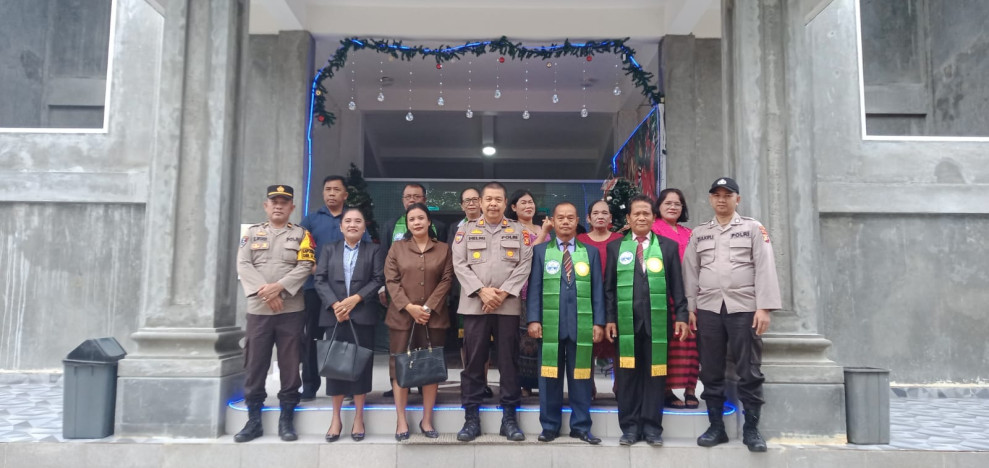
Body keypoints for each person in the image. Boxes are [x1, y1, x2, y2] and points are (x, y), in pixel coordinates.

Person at [682, 177, 781, 452]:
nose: (722, 199)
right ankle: (716, 427)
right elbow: (690, 272)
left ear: (738, 199)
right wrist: (691, 308)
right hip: (709, 309)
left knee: (748, 369)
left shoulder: (752, 228)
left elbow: (765, 267)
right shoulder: (700, 233)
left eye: (728, 195)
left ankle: (751, 429)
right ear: (711, 199)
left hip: (745, 308)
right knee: (711, 369)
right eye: (717, 195)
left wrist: (764, 307)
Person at [604, 194, 689, 447]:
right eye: (636, 214)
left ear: (654, 218)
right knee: (627, 377)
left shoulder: (668, 247)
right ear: (628, 219)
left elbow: (678, 287)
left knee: (655, 376)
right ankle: (629, 428)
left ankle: (652, 428)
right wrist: (609, 319)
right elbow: (609, 288)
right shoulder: (616, 247)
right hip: (625, 324)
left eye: (647, 214)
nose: (642, 217)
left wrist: (682, 316)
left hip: (658, 323)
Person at [451, 181, 533, 442]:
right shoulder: (465, 231)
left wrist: (502, 293)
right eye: (489, 199)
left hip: (507, 306)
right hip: (475, 305)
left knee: (509, 361)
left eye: (498, 199)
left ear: (505, 202)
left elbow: (525, 265)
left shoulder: (519, 231)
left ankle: (509, 417)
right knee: (474, 360)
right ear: (481, 202)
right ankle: (471, 417)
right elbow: (459, 264)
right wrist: (482, 291)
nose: (493, 204)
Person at [235, 185, 316, 443]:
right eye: (274, 201)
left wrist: (279, 289)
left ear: (292, 207)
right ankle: (254, 419)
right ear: (266, 206)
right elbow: (243, 264)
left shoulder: (302, 234)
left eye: (284, 202)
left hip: (291, 309)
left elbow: (306, 265)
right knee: (255, 362)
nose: (279, 205)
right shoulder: (251, 234)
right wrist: (265, 292)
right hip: (259, 310)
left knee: (291, 363)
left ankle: (286, 418)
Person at [526, 202, 606, 445]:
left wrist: (599, 322)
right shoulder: (540, 252)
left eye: (570, 217)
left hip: (581, 325)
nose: (565, 222)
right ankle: (549, 426)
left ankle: (581, 426)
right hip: (549, 325)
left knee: (581, 377)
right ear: (553, 220)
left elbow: (598, 290)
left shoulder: (589, 252)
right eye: (560, 217)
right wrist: (533, 319)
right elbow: (534, 289)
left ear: (578, 220)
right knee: (549, 378)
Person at [314, 207, 385, 443]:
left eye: (358, 221)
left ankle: (358, 417)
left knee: (360, 366)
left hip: (362, 314)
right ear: (341, 226)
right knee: (335, 365)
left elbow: (377, 279)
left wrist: (355, 300)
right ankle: (335, 418)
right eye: (348, 221)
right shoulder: (329, 249)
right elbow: (320, 279)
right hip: (335, 315)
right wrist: (336, 304)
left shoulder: (373, 250)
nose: (353, 224)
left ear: (364, 227)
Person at [384, 203, 454, 441]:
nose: (416, 222)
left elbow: (447, 280)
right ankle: (401, 419)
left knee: (430, 367)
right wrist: (410, 307)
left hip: (433, 318)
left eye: (421, 218)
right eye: (411, 219)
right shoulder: (397, 248)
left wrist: (427, 307)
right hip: (402, 317)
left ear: (429, 222)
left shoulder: (444, 249)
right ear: (408, 223)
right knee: (400, 367)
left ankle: (427, 419)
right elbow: (391, 281)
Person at [299, 175, 368, 400]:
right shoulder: (310, 220)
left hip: (346, 293)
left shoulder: (352, 219)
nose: (331, 193)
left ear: (345, 195)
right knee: (312, 338)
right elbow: (303, 250)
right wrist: (317, 271)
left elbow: (365, 249)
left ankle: (345, 385)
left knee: (344, 340)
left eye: (336, 190)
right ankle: (309, 386)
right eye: (327, 189)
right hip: (314, 288)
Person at [651, 188, 700, 409]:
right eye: (668, 203)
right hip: (663, 296)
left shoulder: (690, 233)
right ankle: (666, 390)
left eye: (677, 204)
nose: (673, 207)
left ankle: (690, 389)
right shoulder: (652, 230)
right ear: (658, 207)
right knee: (668, 344)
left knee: (692, 344)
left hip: (690, 296)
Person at [446, 188, 495, 399]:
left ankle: (483, 382)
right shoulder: (454, 228)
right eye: (467, 201)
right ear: (462, 206)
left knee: (487, 341)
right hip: (463, 293)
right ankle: (470, 379)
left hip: (491, 294)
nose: (472, 204)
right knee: (466, 341)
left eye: (476, 199)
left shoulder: (494, 226)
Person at [505, 189, 552, 396]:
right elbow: (527, 255)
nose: (528, 206)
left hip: (543, 289)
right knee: (523, 339)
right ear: (514, 207)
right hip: (520, 290)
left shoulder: (544, 229)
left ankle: (542, 382)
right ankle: (523, 385)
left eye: (531, 202)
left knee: (541, 337)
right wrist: (543, 232)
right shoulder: (511, 228)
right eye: (523, 203)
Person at [576, 199, 624, 398]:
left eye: (605, 213)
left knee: (618, 344)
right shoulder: (580, 241)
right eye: (596, 213)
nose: (600, 217)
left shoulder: (621, 240)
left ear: (611, 218)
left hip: (616, 300)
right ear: (588, 218)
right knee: (588, 344)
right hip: (588, 300)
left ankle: (620, 386)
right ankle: (589, 387)